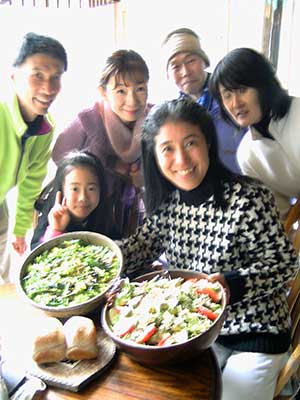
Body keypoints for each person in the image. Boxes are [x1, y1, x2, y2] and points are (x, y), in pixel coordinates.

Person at [117, 98, 298, 400]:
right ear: (155, 156)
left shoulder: (249, 197)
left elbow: (284, 264)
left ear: (208, 143)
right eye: (168, 149)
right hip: (194, 335)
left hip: (255, 330)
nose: (182, 160)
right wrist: (101, 257)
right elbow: (140, 246)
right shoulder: (166, 205)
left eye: (191, 143)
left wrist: (232, 284)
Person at [52, 49, 152, 239]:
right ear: (103, 92)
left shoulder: (154, 120)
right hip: (93, 216)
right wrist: (108, 166)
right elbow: (60, 157)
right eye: (121, 91)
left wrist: (143, 179)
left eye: (140, 88)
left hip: (135, 216)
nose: (132, 100)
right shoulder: (89, 121)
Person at [0, 32, 67, 283]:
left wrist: (20, 231)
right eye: (37, 75)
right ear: (15, 76)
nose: (48, 88)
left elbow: (31, 182)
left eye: (56, 77)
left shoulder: (45, 128)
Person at [209, 47, 300, 217]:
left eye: (242, 90)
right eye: (227, 95)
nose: (236, 103)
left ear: (263, 85)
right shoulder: (247, 155)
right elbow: (281, 214)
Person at [161, 27, 244, 173]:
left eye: (191, 60)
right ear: (168, 74)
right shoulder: (175, 113)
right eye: (175, 66)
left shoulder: (233, 93)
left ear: (204, 61)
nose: (185, 72)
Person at [31, 151, 118, 249]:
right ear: (62, 190)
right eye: (75, 189)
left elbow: (115, 245)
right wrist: (56, 229)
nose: (83, 197)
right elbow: (36, 254)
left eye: (91, 189)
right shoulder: (52, 215)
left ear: (101, 190)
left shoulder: (103, 214)